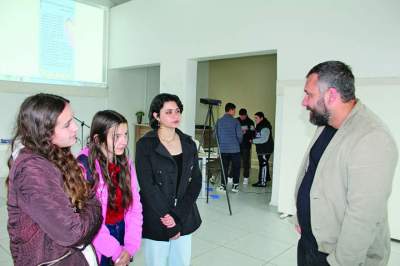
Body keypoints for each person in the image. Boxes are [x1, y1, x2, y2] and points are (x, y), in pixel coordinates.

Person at [295, 61, 398, 266]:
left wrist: (341, 262)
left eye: (309, 94)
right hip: (310, 243)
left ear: (331, 95)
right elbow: (313, 172)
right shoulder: (326, 124)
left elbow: (363, 217)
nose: (304, 102)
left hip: (335, 257)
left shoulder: (372, 137)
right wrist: (302, 217)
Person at [6, 93, 102, 266]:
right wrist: (95, 205)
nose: (75, 128)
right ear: (45, 132)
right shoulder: (32, 170)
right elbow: (72, 233)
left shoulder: (54, 153)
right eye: (67, 125)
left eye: (72, 120)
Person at [135, 93, 202, 266]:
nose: (175, 116)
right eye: (169, 112)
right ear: (156, 116)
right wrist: (168, 218)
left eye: (178, 111)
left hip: (184, 214)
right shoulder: (145, 145)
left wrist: (177, 216)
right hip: (157, 215)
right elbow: (147, 186)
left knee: (180, 262)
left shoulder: (188, 143)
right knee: (156, 262)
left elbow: (195, 181)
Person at [77, 110, 143, 266]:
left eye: (125, 134)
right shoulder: (84, 166)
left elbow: (135, 207)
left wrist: (130, 246)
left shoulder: (126, 163)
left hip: (123, 230)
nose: (124, 141)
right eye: (116, 136)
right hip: (96, 236)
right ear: (97, 139)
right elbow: (87, 220)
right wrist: (115, 251)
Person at [215, 102, 243, 192]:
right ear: (230, 110)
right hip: (235, 149)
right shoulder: (236, 121)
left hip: (223, 149)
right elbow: (240, 135)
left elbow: (214, 135)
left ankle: (223, 186)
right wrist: (237, 143)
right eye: (234, 110)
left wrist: (220, 143)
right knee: (236, 167)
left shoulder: (219, 121)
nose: (235, 112)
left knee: (224, 167)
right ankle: (235, 186)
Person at [252, 112, 274, 187]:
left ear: (261, 118)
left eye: (256, 118)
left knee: (263, 164)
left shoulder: (265, 126)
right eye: (254, 118)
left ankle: (262, 182)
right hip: (262, 149)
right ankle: (266, 178)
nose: (255, 119)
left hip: (265, 149)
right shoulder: (260, 125)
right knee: (264, 163)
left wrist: (252, 141)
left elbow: (264, 139)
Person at [234, 108, 255, 185]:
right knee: (235, 162)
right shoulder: (236, 120)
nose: (242, 117)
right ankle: (231, 176)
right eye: (241, 116)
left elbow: (253, 133)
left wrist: (246, 132)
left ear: (246, 115)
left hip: (246, 145)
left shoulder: (250, 122)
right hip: (237, 145)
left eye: (243, 116)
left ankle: (246, 177)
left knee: (246, 162)